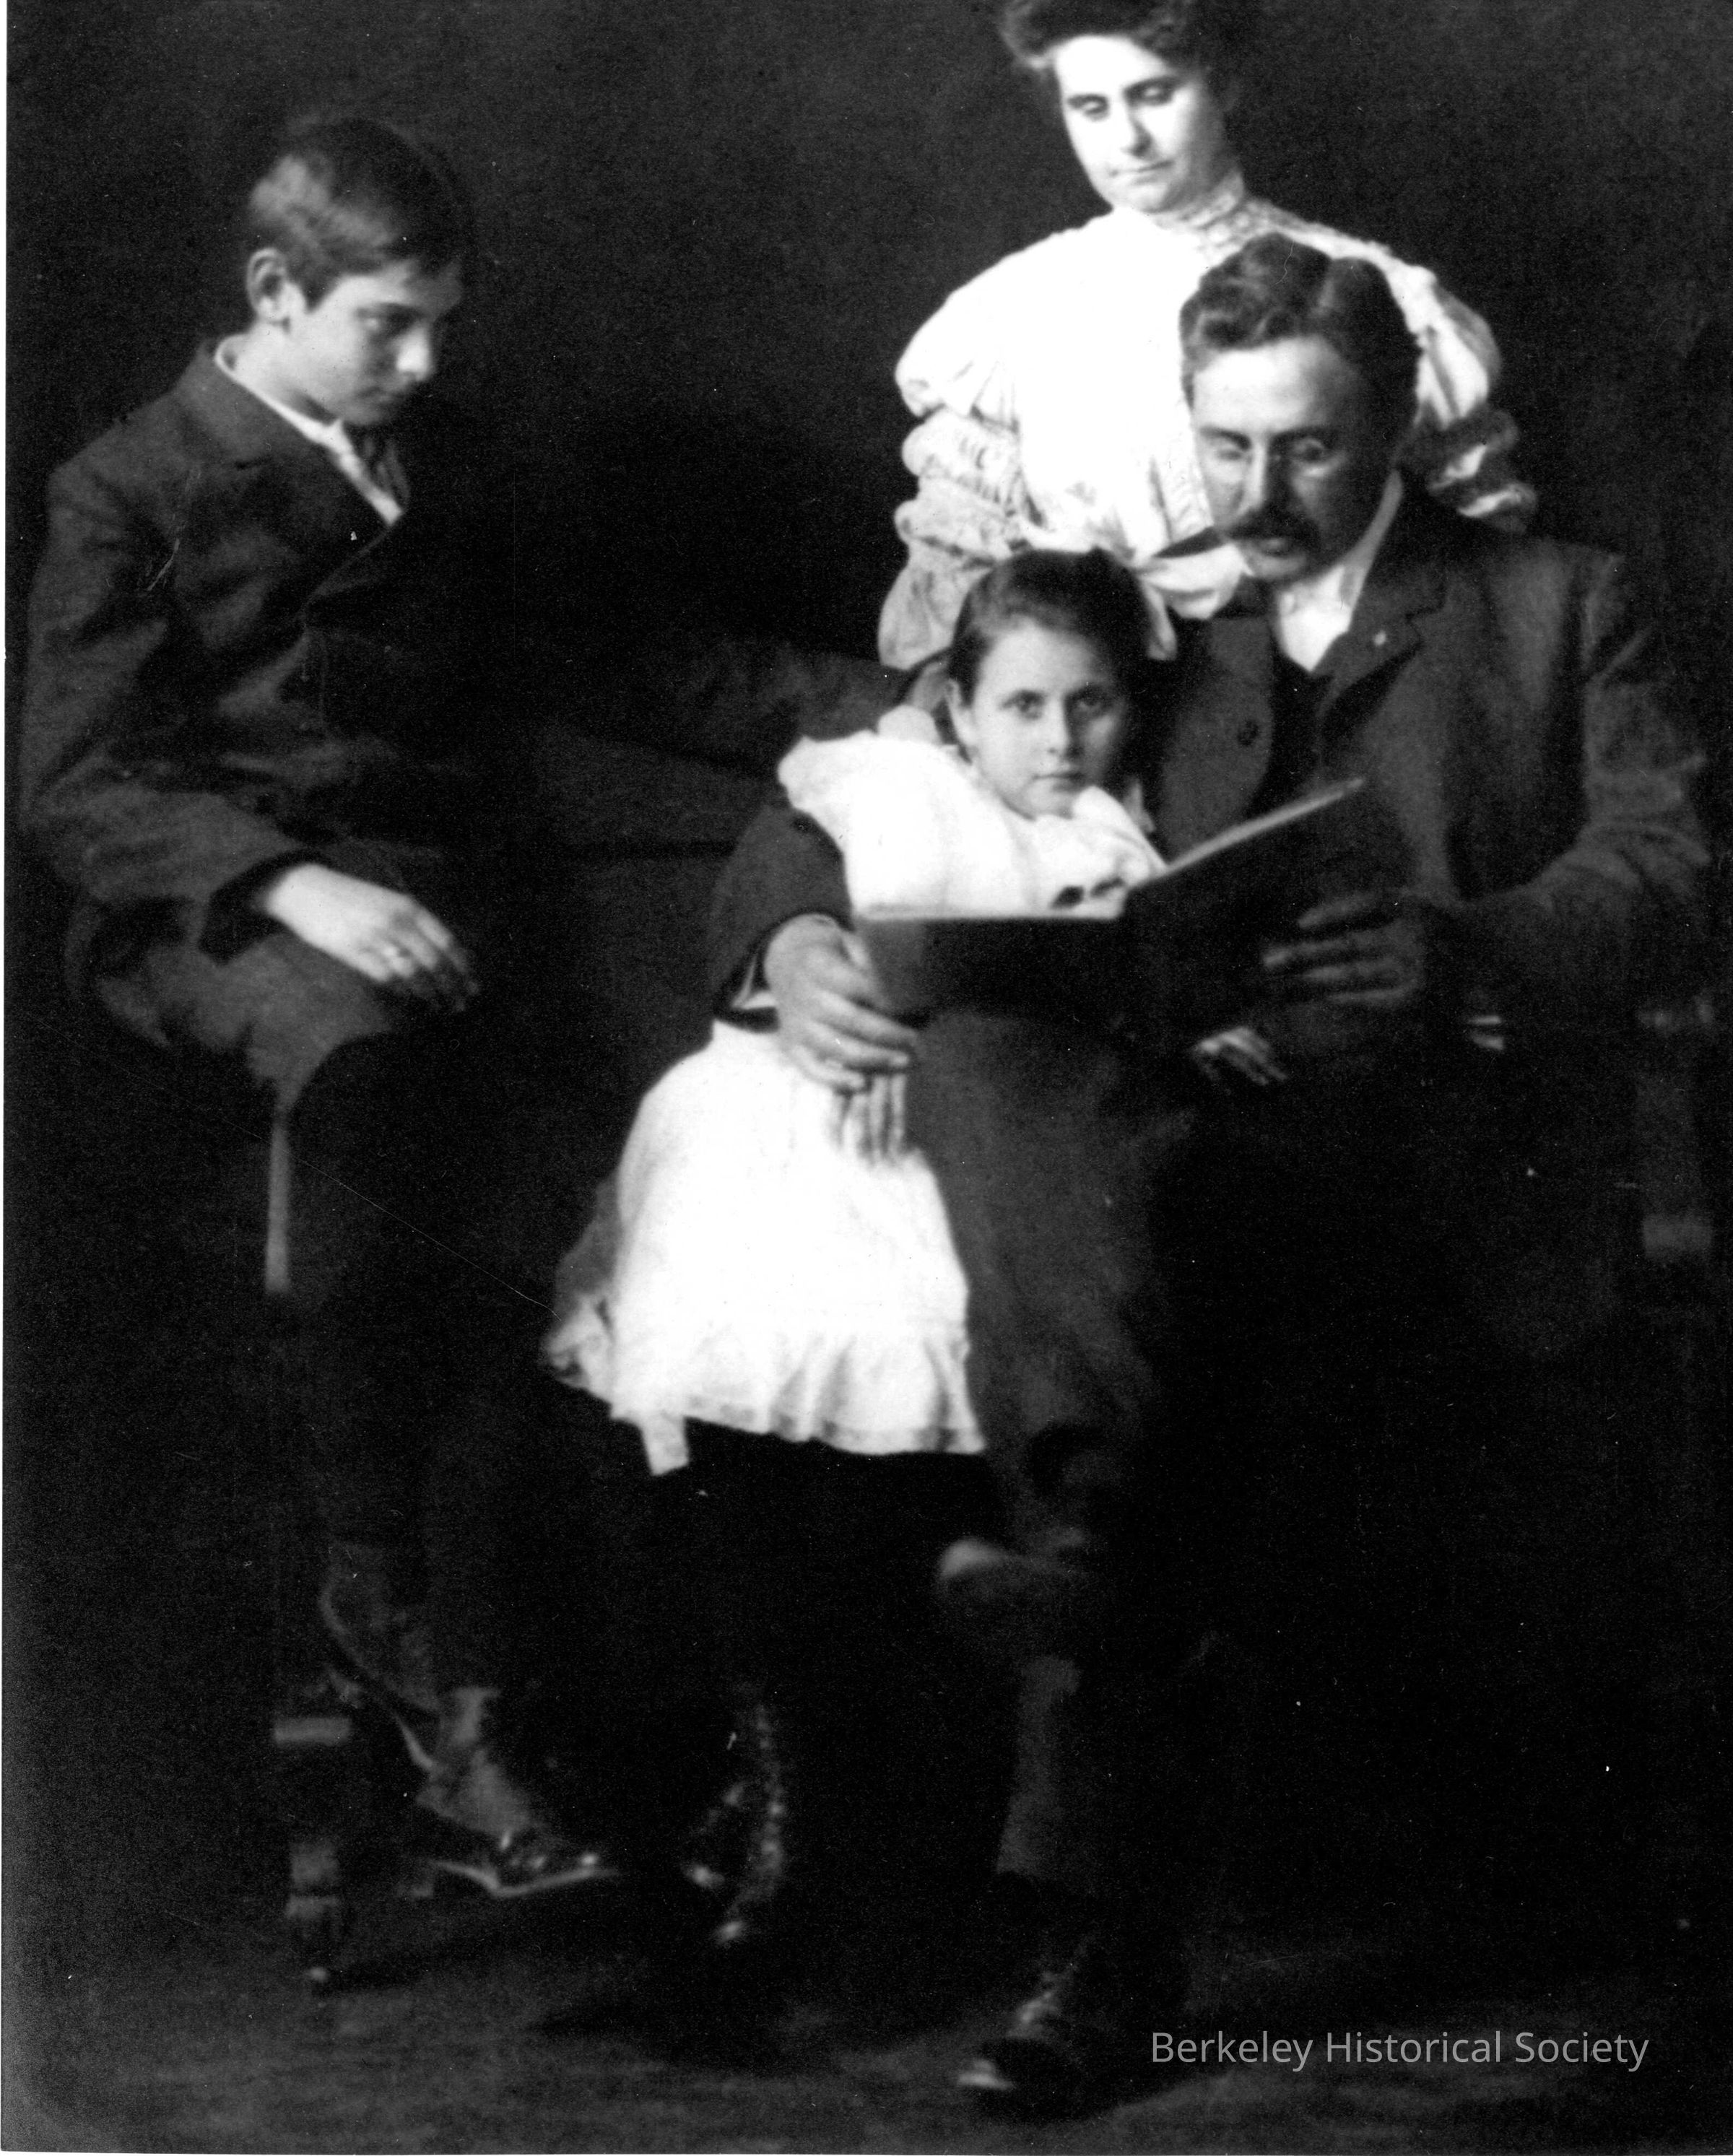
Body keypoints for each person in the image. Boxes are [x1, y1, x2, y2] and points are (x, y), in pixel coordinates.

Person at [708, 233, 1708, 2111]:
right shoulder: (1162, 631)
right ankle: (1097, 1922)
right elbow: (887, 749)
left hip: (1448, 1154)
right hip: (1197, 1154)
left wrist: (1470, 949)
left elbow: (1670, 863)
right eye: (1225, 445)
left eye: (1307, 449)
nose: (1259, 492)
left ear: (1393, 424)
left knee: (1131, 1337)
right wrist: (792, 931)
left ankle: (1089, 1698)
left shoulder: (1560, 604)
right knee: (1015, 1091)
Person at [19, 115, 898, 1900]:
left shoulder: (446, 467)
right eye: (389, 326)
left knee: (553, 1215)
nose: (425, 364)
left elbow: (627, 661)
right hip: (215, 913)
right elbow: (77, 781)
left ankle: (490, 1700)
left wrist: (892, 698)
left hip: (434, 910)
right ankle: (396, 1632)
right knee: (379, 1077)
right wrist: (289, 881)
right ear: (274, 292)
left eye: (443, 326)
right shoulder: (134, 485)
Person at [544, 549, 1168, 1964]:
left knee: (932, 1384)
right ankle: (786, 1789)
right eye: (1023, 708)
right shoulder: (888, 779)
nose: (1057, 741)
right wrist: (830, 964)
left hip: (983, 1146)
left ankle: (903, 1824)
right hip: (811, 1117)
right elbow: (818, 881)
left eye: (1091, 705)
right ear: (960, 707)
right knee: (762, 1360)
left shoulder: (1121, 832)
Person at [879, 0, 1532, 669]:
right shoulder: (1006, 316)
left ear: (1223, 85)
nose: (1128, 138)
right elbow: (957, 582)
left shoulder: (1369, 291)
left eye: (1154, 95)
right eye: (1092, 108)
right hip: (1087, 704)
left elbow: (1473, 556)